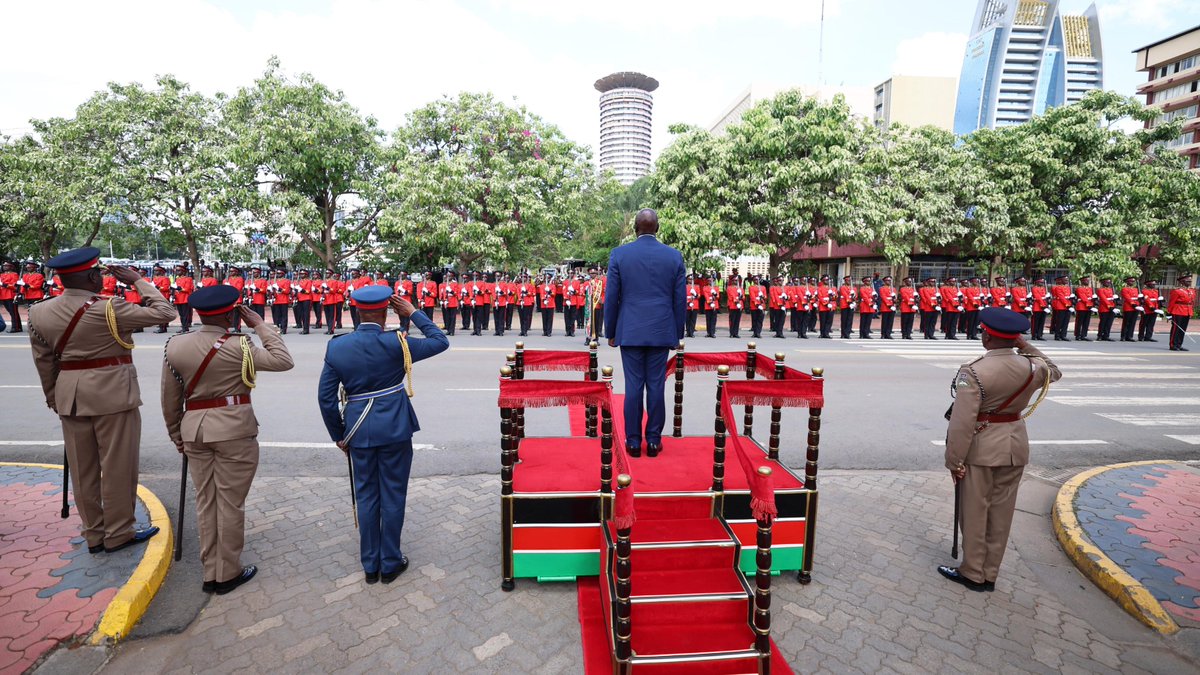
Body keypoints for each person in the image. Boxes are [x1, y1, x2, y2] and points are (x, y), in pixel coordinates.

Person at [28, 248, 176, 553]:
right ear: (93, 275)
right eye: (98, 274)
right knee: (118, 465)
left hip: (70, 396)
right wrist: (138, 281)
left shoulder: (39, 312)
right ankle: (119, 532)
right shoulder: (109, 308)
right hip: (113, 396)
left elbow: (44, 362)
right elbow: (165, 312)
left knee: (82, 469)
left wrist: (54, 398)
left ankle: (94, 533)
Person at [161, 286, 294, 594]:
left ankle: (211, 571)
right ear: (230, 313)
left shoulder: (175, 345)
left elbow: (170, 398)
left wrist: (175, 433)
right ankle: (227, 573)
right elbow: (283, 360)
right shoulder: (242, 345)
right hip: (234, 430)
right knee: (230, 503)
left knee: (206, 501)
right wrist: (259, 325)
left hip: (194, 430)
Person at [318, 286, 449, 583]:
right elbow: (440, 341)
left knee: (366, 495)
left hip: (357, 429)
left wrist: (338, 435)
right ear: (387, 310)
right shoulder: (397, 343)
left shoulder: (337, 346)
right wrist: (413, 312)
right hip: (394, 428)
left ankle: (370, 565)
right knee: (392, 493)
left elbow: (326, 399)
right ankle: (389, 562)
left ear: (356, 310)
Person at [938, 307, 1061, 592]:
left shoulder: (974, 371)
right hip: (1014, 447)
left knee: (974, 511)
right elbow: (1055, 370)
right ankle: (989, 573)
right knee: (1001, 513)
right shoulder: (1033, 366)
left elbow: (962, 423)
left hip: (981, 449)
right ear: (1015, 338)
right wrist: (1023, 346)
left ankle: (972, 572)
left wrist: (954, 460)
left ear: (987, 336)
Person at [605, 209, 686, 458]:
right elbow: (679, 300)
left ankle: (632, 441)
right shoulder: (673, 257)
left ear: (634, 229)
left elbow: (612, 297)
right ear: (657, 228)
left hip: (629, 330)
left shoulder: (620, 255)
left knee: (633, 387)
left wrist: (611, 330)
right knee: (656, 386)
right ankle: (653, 440)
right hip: (661, 330)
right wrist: (677, 333)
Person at [1168, 273, 1195, 352]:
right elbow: (1172, 302)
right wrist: (1169, 312)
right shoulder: (1177, 291)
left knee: (1183, 329)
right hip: (1178, 311)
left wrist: (1190, 311)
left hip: (1187, 311)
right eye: (1188, 281)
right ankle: (1173, 345)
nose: (1189, 283)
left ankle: (1179, 344)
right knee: (1176, 329)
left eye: (1190, 281)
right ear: (1182, 282)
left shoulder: (1192, 291)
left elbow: (1191, 302)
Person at [172, 264, 195, 333]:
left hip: (185, 299)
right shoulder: (177, 279)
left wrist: (180, 288)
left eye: (178, 270)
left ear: (183, 271)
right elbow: (176, 289)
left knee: (185, 314)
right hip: (178, 299)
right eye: (176, 270)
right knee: (181, 314)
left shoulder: (188, 279)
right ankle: (183, 327)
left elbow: (188, 289)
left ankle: (185, 328)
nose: (177, 272)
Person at [267, 268, 292, 334]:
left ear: (283, 274)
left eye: (279, 273)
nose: (278, 275)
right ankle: (277, 328)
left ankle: (283, 329)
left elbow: (287, 291)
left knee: (284, 316)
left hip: (283, 300)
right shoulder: (274, 281)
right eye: (277, 273)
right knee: (277, 315)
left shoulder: (286, 281)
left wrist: (279, 288)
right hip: (276, 300)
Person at [1, 261, 22, 332]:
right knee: (11, 312)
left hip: (11, 295)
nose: (5, 267)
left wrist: (4, 285)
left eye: (7, 266)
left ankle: (14, 327)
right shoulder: (1, 275)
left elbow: (14, 286)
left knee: (13, 312)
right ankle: (19, 326)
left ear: (11, 267)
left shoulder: (14, 274)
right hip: (3, 295)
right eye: (4, 266)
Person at [1118, 277, 1141, 342]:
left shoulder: (1136, 289)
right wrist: (1133, 303)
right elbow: (1127, 298)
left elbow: (1138, 298)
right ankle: (1123, 336)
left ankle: (1130, 336)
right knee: (1126, 323)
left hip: (1136, 307)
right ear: (1127, 282)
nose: (1132, 283)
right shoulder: (1124, 289)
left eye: (1133, 281)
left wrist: (1139, 303)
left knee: (1132, 322)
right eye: (1130, 281)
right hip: (1128, 307)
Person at [1072, 276, 1095, 341]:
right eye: (1086, 281)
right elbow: (1083, 298)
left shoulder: (1090, 289)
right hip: (1082, 307)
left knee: (1086, 322)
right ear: (1082, 281)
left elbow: (1090, 297)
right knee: (1079, 322)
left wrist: (1093, 300)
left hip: (1088, 307)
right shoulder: (1079, 289)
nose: (1087, 282)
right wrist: (1089, 305)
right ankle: (1077, 335)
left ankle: (1084, 335)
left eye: (1088, 281)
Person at [151, 265, 172, 333]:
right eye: (155, 270)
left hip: (163, 297)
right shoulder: (154, 278)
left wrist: (158, 287)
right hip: (156, 297)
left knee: (163, 313)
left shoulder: (165, 278)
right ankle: (161, 326)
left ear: (161, 271)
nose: (155, 272)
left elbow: (166, 288)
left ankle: (163, 327)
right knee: (158, 313)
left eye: (157, 270)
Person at [293, 269, 313, 334]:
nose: (301, 275)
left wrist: (301, 289)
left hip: (306, 299)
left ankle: (306, 329)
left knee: (306, 315)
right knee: (301, 315)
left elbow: (307, 291)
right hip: (300, 299)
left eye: (303, 274)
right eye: (301, 274)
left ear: (306, 275)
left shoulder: (308, 281)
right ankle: (304, 328)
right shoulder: (299, 281)